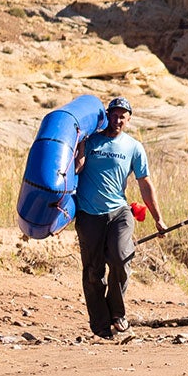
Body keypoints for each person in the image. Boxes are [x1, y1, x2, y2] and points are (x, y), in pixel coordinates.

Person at [73, 96, 161, 339]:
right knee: (93, 272)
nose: (118, 119)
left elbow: (145, 184)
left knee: (122, 260)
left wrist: (158, 218)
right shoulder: (92, 142)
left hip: (120, 213)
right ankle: (100, 325)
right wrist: (81, 144)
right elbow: (77, 168)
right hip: (89, 214)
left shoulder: (134, 147)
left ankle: (117, 314)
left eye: (123, 115)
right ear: (107, 116)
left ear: (129, 119)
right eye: (114, 114)